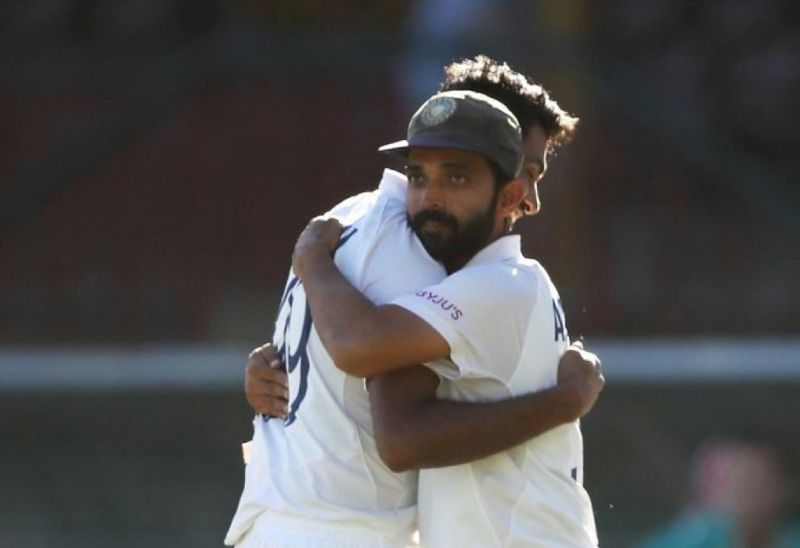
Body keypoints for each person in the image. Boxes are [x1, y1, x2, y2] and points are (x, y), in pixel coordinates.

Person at [226, 57, 602, 548]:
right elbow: (370, 378)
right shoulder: (415, 250)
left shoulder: (350, 223)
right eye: (526, 170)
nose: (532, 199)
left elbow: (376, 385)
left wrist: (310, 258)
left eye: (534, 175)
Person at [638, 438, 800, 548]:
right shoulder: (697, 537)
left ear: (784, 488)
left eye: (764, 483)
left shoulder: (791, 539)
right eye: (744, 483)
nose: (752, 494)